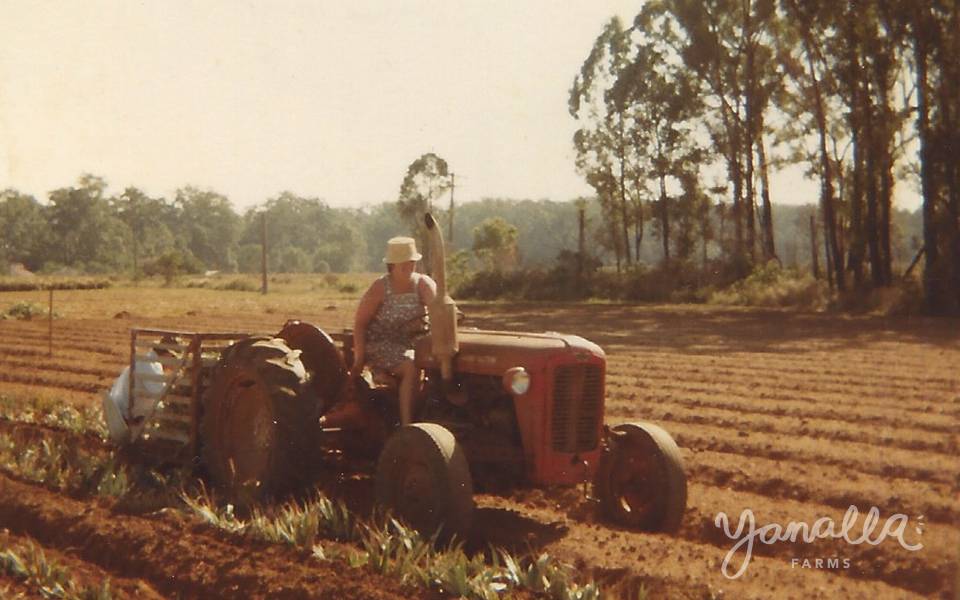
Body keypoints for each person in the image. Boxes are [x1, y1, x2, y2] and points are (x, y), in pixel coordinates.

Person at [351, 236, 436, 425]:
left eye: (411, 264)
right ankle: (407, 426)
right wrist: (359, 358)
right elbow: (360, 324)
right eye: (403, 265)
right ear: (392, 266)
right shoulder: (380, 288)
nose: (409, 268)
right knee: (411, 366)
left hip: (415, 345)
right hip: (382, 345)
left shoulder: (423, 284)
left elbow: (440, 309)